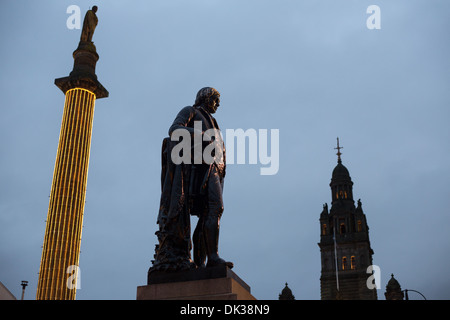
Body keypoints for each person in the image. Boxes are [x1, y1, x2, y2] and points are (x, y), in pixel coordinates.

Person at [150, 87, 232, 274]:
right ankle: (211, 258)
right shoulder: (191, 111)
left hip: (215, 170)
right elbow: (174, 130)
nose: (218, 104)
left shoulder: (214, 121)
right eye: (215, 99)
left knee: (210, 212)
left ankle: (204, 262)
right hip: (198, 168)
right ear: (205, 98)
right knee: (215, 208)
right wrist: (202, 136)